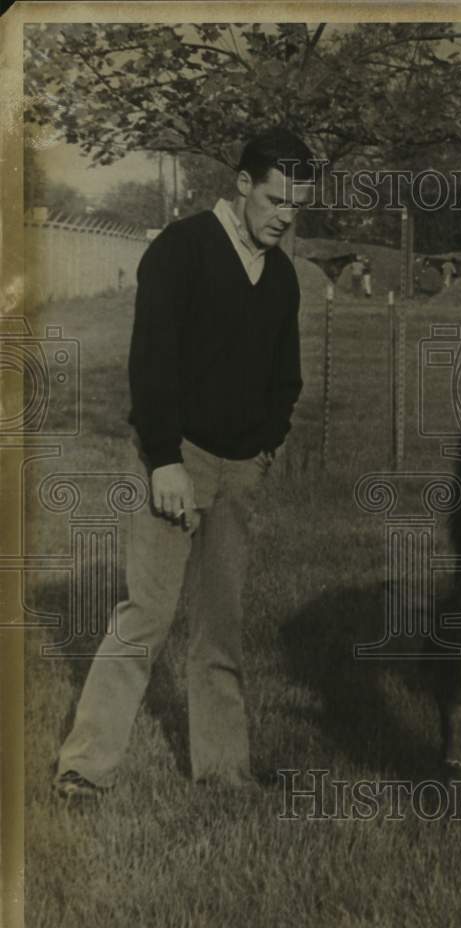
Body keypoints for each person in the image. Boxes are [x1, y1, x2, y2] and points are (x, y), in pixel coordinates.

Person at [54, 128, 316, 801]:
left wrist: (266, 447)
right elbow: (152, 364)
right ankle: (84, 766)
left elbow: (285, 377)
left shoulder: (281, 274)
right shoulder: (183, 250)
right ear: (242, 184)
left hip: (240, 471)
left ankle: (224, 771)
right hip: (177, 462)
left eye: (297, 204)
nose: (284, 215)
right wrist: (164, 460)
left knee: (220, 627)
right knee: (146, 615)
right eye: (276, 199)